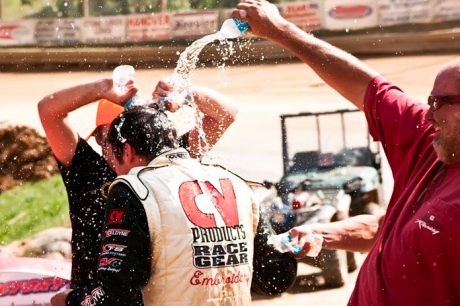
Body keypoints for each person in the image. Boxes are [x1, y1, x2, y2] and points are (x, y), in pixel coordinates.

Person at [232, 1, 460, 305]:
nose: (429, 115)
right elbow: (370, 88)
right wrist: (324, 234)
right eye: (429, 101)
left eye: (441, 103)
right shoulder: (431, 142)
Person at [51, 106, 297, 305]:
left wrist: (71, 300)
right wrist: (292, 247)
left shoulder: (134, 188)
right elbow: (276, 276)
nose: (115, 170)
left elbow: (116, 293)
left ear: (126, 150)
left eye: (112, 156)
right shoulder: (236, 183)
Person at [37, 75, 238, 293]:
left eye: (136, 133)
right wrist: (101, 89)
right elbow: (48, 110)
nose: (128, 142)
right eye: (116, 134)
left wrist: (184, 92)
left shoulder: (170, 163)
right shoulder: (86, 170)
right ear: (99, 138)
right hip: (91, 295)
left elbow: (226, 114)